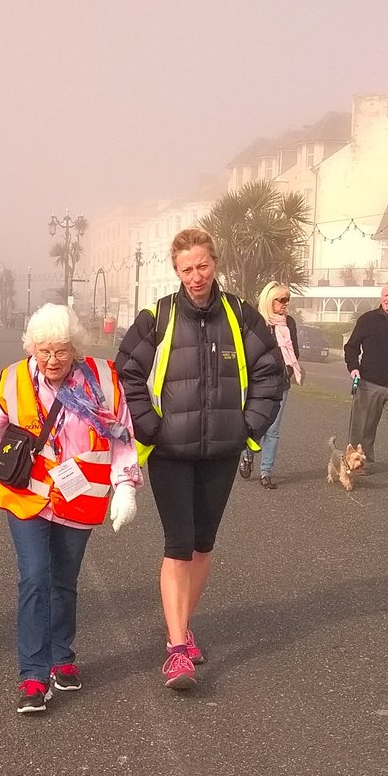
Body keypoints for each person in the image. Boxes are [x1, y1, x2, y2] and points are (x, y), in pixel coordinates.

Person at [115, 227, 284, 692]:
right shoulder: (159, 317)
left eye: (203, 266)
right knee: (178, 543)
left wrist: (249, 426)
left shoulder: (240, 315)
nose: (196, 276)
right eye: (187, 269)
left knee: (203, 544)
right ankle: (175, 650)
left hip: (222, 452)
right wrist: (150, 425)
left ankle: (184, 629)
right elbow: (126, 371)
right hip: (170, 451)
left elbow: (272, 371)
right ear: (176, 271)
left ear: (215, 264)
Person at [0, 303, 141, 714]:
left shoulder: (103, 380)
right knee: (35, 577)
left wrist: (126, 487)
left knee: (64, 581)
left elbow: (122, 434)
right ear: (31, 349)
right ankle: (32, 675)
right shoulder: (13, 379)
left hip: (78, 495)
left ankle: (61, 657)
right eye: (44, 351)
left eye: (62, 351)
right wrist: (0, 485)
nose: (52, 360)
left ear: (76, 349)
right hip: (27, 496)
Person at [238, 281, 301, 489]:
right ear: (269, 301)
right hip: (257, 384)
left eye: (287, 300)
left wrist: (289, 369)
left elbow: (295, 352)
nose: (285, 304)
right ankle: (246, 455)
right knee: (253, 424)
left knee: (273, 430)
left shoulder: (289, 323)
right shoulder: (257, 322)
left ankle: (266, 472)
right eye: (281, 300)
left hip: (281, 383)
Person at [344, 280, 388, 478]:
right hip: (369, 383)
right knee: (364, 427)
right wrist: (354, 368)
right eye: (385, 295)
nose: (387, 298)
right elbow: (351, 347)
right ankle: (360, 464)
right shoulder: (368, 320)